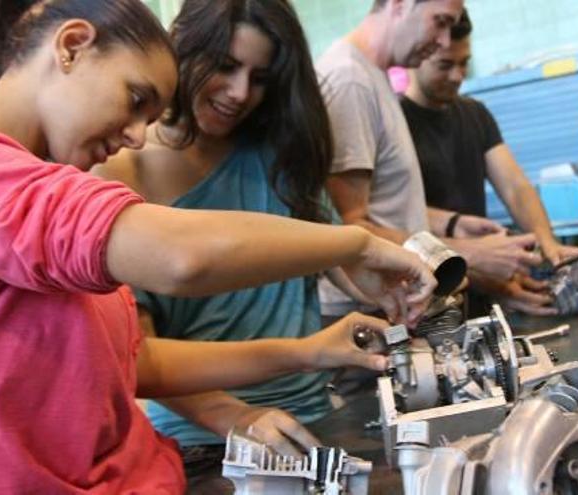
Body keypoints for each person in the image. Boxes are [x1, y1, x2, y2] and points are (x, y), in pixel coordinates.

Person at [0, 0, 436, 492]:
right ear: (71, 47)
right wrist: (354, 244)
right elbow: (182, 259)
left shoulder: (44, 185)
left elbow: (137, 363)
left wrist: (307, 352)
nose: (136, 137)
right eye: (135, 99)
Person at [91, 0, 386, 490]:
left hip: (314, 421)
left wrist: (391, 286)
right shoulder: (124, 169)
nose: (240, 92)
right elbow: (136, 354)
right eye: (225, 67)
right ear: (183, 47)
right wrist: (234, 417)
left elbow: (337, 254)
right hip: (205, 444)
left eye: (261, 77)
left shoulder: (278, 151)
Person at [316, 0, 544, 318]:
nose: (444, 41)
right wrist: (467, 253)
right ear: (400, 4)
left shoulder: (370, 76)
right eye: (439, 22)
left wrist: (452, 225)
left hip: (397, 302)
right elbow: (347, 228)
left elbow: (384, 208)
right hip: (367, 312)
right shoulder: (349, 80)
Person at [400, 8, 578, 315]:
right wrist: (482, 273)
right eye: (445, 65)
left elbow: (515, 187)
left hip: (480, 291)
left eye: (464, 63)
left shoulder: (475, 114)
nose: (458, 76)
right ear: (417, 57)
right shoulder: (394, 125)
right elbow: (393, 220)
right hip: (425, 299)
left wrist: (548, 244)